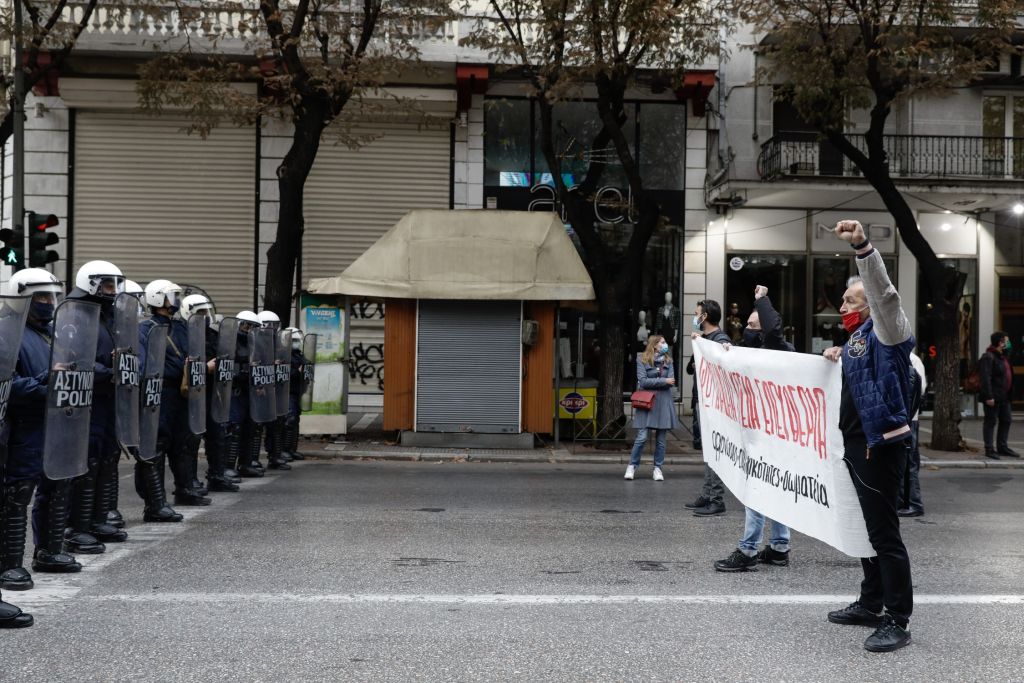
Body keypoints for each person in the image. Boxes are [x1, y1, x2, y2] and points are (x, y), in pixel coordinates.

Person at [822, 219, 915, 653]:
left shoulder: (889, 330)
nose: (843, 306)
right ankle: (871, 601)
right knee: (864, 531)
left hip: (881, 448)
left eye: (850, 300)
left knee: (884, 536)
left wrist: (862, 248)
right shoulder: (858, 341)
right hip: (857, 448)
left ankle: (898, 619)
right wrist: (836, 354)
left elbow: (885, 295)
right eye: (842, 300)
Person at [3, 269, 82, 579]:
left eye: (52, 296)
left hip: (57, 425)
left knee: (57, 484)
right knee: (17, 495)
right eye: (42, 296)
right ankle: (9, 565)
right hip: (23, 427)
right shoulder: (6, 332)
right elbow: (7, 384)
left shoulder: (54, 333)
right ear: (22, 296)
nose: (50, 303)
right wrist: (46, 383)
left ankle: (48, 551)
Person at [714, 285, 796, 572]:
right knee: (772, 490)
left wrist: (762, 300)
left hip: (771, 436)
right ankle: (779, 547)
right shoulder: (756, 352)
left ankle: (748, 550)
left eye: (752, 324)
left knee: (756, 491)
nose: (746, 329)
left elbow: (772, 329)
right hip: (763, 433)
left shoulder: (777, 348)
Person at [65, 261, 128, 555]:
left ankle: (96, 519)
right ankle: (76, 526)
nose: (112, 291)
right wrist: (108, 368)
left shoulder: (106, 314)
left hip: (106, 398)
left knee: (102, 460)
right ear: (90, 283)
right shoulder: (75, 312)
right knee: (84, 463)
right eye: (107, 284)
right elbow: (74, 359)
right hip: (84, 400)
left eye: (115, 284)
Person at [685, 299, 732, 516]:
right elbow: (690, 369)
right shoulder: (705, 339)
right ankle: (707, 493)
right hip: (702, 402)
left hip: (713, 406)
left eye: (697, 314)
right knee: (708, 452)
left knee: (715, 453)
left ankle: (716, 498)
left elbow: (725, 362)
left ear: (705, 317)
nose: (695, 318)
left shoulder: (720, 339)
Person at [624, 335, 677, 481]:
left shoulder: (669, 360)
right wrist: (663, 381)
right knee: (641, 437)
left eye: (665, 342)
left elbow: (671, 381)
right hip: (647, 402)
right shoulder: (642, 359)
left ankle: (658, 468)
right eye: (662, 342)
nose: (665, 344)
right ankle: (632, 466)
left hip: (664, 402)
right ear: (654, 345)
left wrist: (660, 381)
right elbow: (643, 382)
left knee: (661, 440)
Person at [258, 310, 291, 471]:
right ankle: (251, 460)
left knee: (276, 424)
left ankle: (275, 456)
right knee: (255, 427)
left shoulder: (279, 344)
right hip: (261, 390)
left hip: (275, 389)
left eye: (276, 325)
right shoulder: (256, 343)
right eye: (270, 325)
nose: (273, 329)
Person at [979, 331, 1017, 459]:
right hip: (993, 397)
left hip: (1004, 397)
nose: (1008, 343)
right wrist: (989, 396)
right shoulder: (988, 357)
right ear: (1000, 343)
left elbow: (1006, 373)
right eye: (1006, 341)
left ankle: (1002, 447)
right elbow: (985, 378)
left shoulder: (1003, 356)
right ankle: (989, 449)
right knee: (990, 422)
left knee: (1006, 420)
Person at [897, 352, 926, 517]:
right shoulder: (906, 358)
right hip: (906, 417)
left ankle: (914, 503)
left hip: (909, 419)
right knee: (905, 461)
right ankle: (905, 501)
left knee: (909, 462)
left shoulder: (913, 360)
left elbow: (919, 388)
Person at [281, 328, 307, 461]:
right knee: (289, 420)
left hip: (297, 391)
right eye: (294, 341)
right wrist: (298, 371)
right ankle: (284, 450)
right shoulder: (283, 355)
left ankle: (292, 449)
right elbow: (284, 373)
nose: (297, 343)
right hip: (287, 392)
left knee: (295, 420)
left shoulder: (298, 354)